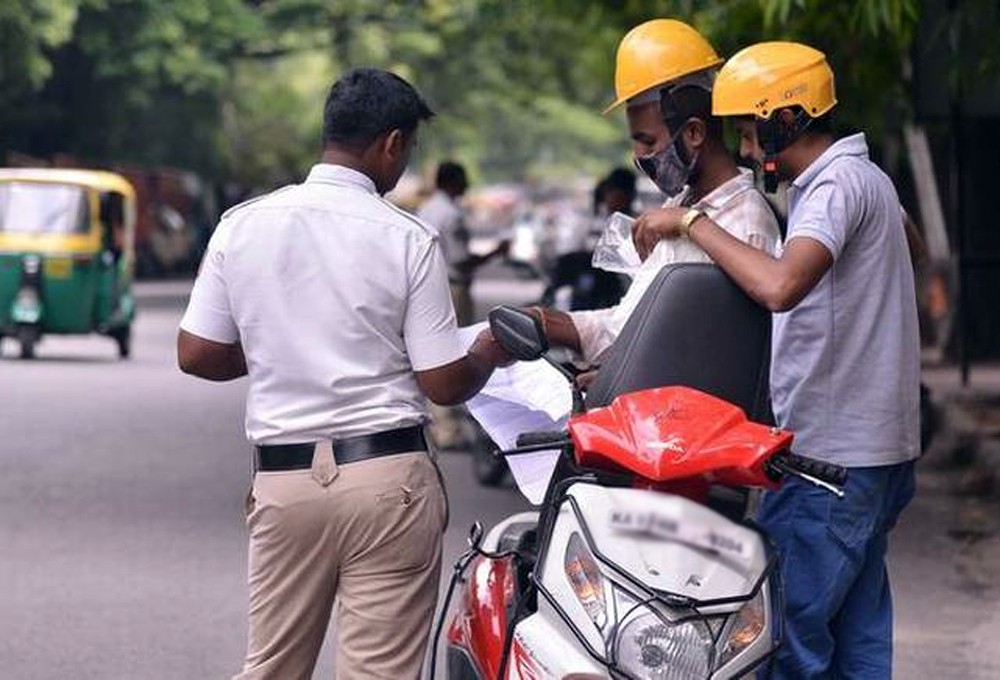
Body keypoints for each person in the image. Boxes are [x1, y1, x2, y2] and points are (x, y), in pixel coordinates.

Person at [176, 68, 511, 680]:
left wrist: (281, 345)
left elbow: (197, 353)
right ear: (391, 143)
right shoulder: (409, 238)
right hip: (387, 482)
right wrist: (487, 351)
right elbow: (442, 383)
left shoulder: (242, 224)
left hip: (285, 483)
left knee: (271, 667)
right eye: (407, 149)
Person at [631, 42, 920, 678]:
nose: (744, 145)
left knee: (785, 642)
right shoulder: (866, 179)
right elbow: (911, 247)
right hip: (877, 452)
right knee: (857, 640)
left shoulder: (833, 185)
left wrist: (691, 222)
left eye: (746, 127)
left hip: (830, 462)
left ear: (781, 119)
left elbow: (779, 287)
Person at [530, 18, 781, 364]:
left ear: (694, 133)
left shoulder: (744, 221)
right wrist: (545, 323)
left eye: (647, 141)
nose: (639, 157)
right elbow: (630, 327)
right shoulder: (676, 206)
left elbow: (711, 354)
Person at [416, 160, 508, 326]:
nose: (467, 184)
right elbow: (460, 261)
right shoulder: (452, 215)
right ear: (452, 182)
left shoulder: (425, 209)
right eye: (463, 179)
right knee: (458, 342)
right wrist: (496, 252)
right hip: (453, 290)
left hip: (427, 288)